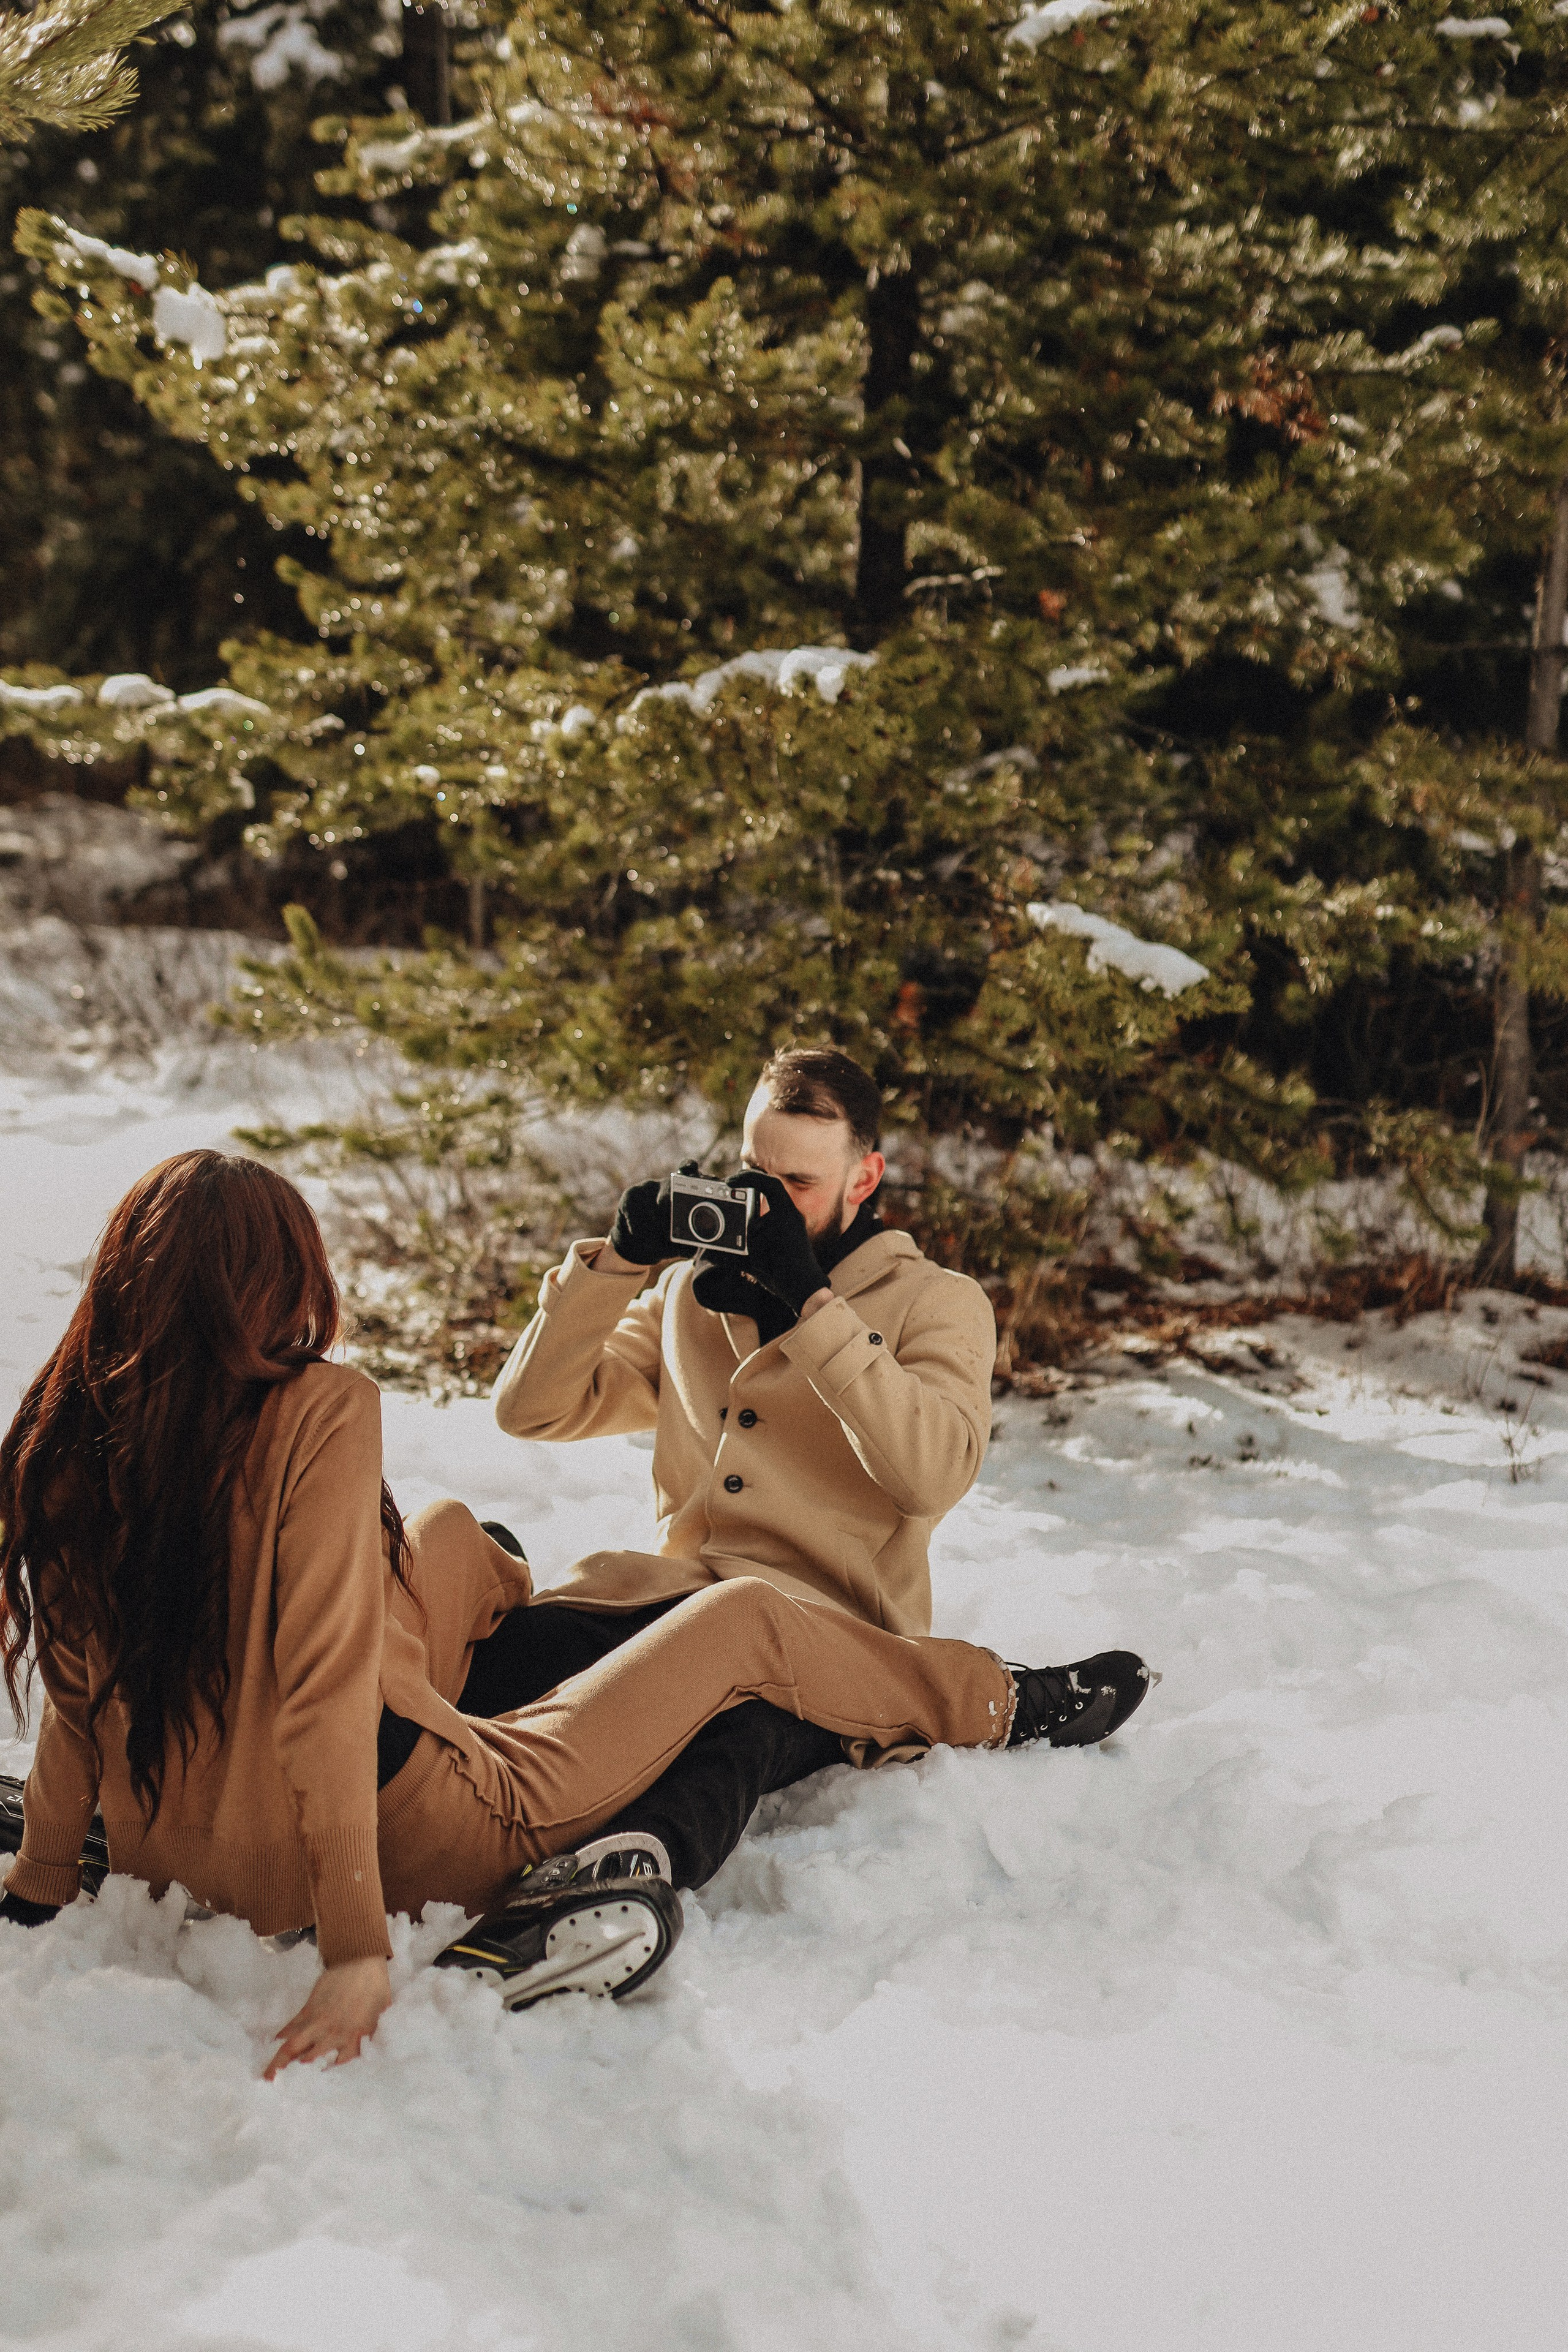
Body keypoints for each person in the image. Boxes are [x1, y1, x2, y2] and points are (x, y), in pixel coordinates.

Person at [0, 1149, 1123, 2071]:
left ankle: (496, 1581)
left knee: (447, 1537)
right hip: (411, 1821)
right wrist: (353, 1948)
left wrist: (44, 1883)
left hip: (186, 1839)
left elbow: (79, 1695)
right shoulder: (320, 1410)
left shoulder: (77, 1430)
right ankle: (999, 1698)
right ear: (278, 1280)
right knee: (748, 1624)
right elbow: (326, 1692)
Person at [480, 1047, 1153, 1888]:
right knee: (508, 1659)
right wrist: (616, 1263)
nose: (764, 1204)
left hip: (829, 1646)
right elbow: (531, 1409)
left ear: (863, 1178)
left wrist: (812, 1308)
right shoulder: (693, 1291)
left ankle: (619, 1881)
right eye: (752, 1172)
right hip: (666, 1606)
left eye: (794, 1184)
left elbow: (932, 1476)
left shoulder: (937, 1302)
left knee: (739, 1737)